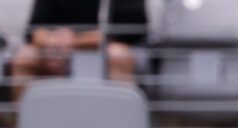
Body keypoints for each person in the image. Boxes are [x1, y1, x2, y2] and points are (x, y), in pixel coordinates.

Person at [11, 0, 148, 100]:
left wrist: (75, 43)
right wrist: (51, 41)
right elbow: (33, 31)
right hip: (56, 51)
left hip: (104, 50)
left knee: (118, 55)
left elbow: (133, 30)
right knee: (25, 57)